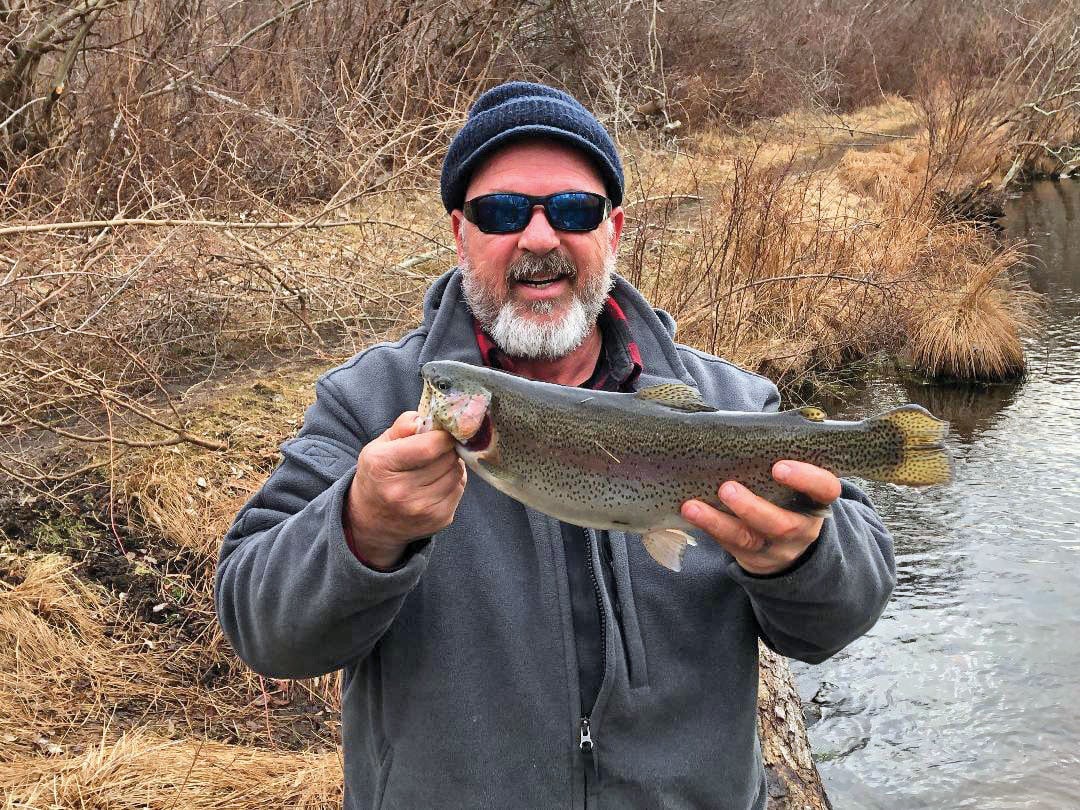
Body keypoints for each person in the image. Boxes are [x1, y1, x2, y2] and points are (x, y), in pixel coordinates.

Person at [215, 81, 895, 809]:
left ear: (614, 230)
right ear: (459, 234)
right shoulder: (368, 404)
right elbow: (263, 629)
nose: (540, 239)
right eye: (503, 212)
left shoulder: (729, 404)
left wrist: (802, 559)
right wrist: (362, 530)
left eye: (573, 210)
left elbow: (842, 615)